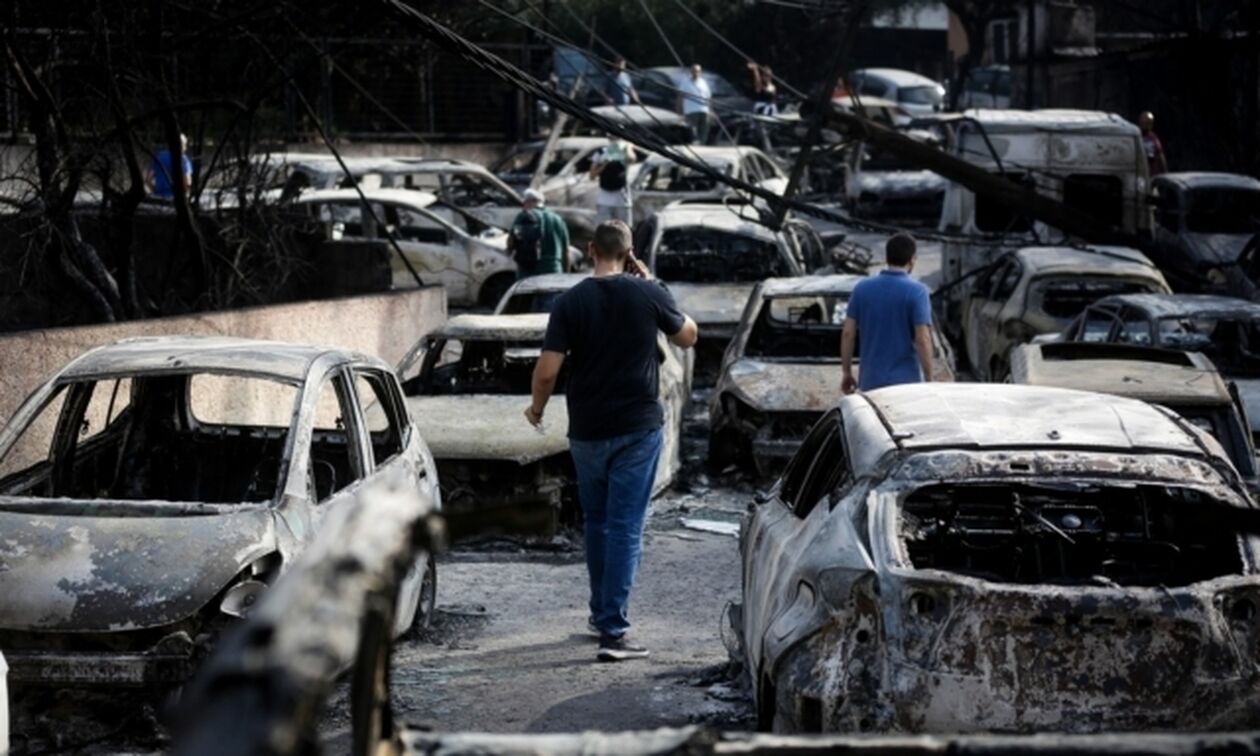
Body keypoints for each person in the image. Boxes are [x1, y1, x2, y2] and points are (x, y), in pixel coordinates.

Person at [525, 220, 698, 661]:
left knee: (598, 524)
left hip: (587, 429)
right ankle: (614, 632)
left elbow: (546, 370)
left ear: (589, 250)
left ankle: (601, 614)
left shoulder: (570, 302)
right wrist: (649, 282)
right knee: (625, 526)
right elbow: (688, 336)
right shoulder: (649, 293)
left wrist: (537, 409)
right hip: (637, 427)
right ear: (630, 252)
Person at [840, 233, 933, 393]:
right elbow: (922, 339)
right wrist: (929, 377)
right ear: (911, 260)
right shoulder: (917, 292)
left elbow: (848, 334)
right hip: (906, 384)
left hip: (871, 383)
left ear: (887, 258)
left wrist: (847, 372)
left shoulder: (862, 289)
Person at [508, 188, 570, 279]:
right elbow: (566, 252)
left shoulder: (523, 216)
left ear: (529, 202)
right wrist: (565, 275)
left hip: (528, 273)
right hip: (553, 271)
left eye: (524, 203)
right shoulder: (558, 220)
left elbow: (511, 241)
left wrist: (509, 250)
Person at [589, 137, 637, 225]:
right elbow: (592, 175)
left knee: (623, 230)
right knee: (604, 232)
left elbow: (631, 159)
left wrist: (628, 146)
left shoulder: (624, 151)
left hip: (622, 201)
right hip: (604, 201)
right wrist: (604, 164)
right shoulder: (601, 152)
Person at [145, 133, 192, 199]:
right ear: (182, 145)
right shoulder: (183, 160)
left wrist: (155, 191)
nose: (186, 148)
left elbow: (148, 179)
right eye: (185, 145)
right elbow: (187, 183)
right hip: (176, 200)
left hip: (158, 198)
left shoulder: (159, 156)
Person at [676, 64, 713, 144]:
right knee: (692, 130)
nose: (696, 73)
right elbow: (680, 96)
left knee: (704, 130)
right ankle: (693, 144)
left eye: (698, 71)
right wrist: (679, 109)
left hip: (703, 110)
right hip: (691, 110)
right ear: (691, 72)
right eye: (694, 71)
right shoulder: (685, 82)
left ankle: (702, 144)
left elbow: (708, 97)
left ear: (700, 72)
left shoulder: (703, 82)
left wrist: (710, 110)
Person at [1139, 111, 1168, 176]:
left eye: (1148, 123)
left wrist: (1165, 171)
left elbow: (1160, 154)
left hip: (1152, 172)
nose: (1146, 126)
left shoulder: (1153, 137)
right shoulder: (1137, 137)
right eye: (1144, 123)